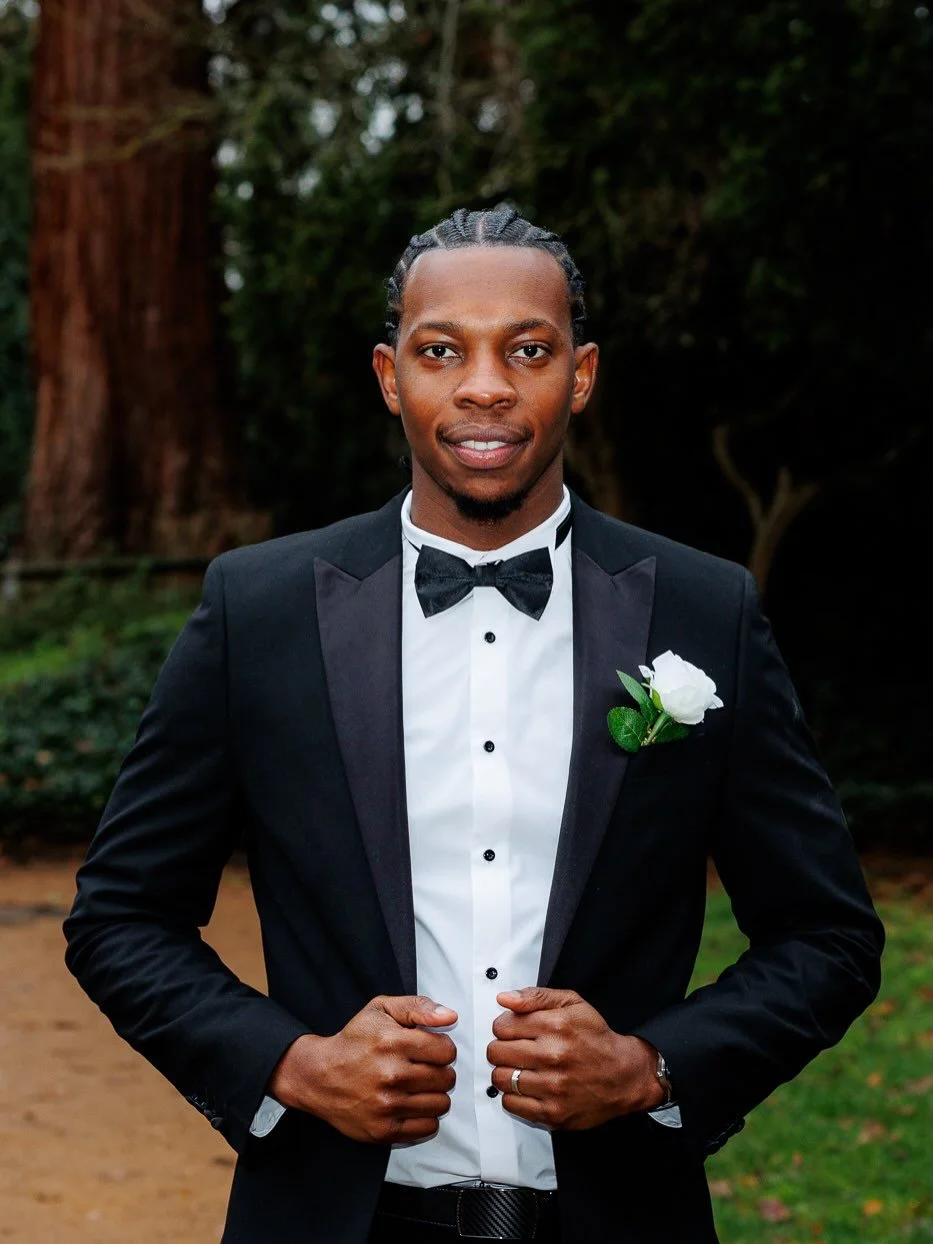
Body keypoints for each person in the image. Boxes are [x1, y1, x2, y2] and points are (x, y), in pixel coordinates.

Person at [63, 207, 884, 1244]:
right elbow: (120, 917)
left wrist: (650, 1066)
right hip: (333, 1219)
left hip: (617, 1220)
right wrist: (292, 1062)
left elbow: (829, 934)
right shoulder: (257, 610)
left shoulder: (701, 609)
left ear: (579, 375)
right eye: (440, 349)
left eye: (527, 349)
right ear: (389, 375)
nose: (485, 385)